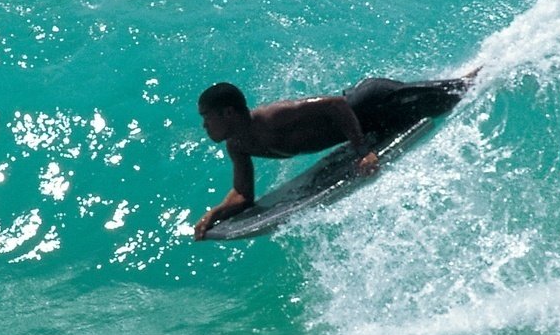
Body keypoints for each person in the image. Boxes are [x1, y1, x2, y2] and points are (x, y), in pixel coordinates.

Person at [192, 73, 473, 239]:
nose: (205, 127)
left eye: (207, 119)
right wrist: (216, 213)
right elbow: (243, 194)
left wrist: (363, 151)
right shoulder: (238, 145)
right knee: (449, 98)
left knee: (461, 91)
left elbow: (336, 105)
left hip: (373, 102)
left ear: (228, 112)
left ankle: (502, 60)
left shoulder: (270, 117)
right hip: (371, 126)